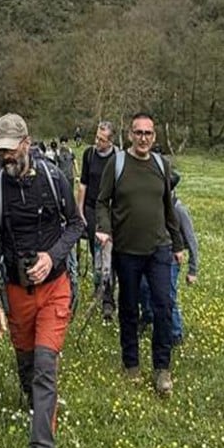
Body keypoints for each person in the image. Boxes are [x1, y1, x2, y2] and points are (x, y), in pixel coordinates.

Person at [0, 113, 84, 448]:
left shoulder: (55, 179)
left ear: (26, 143)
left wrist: (52, 257)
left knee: (43, 366)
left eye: (8, 149)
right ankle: (34, 401)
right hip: (17, 293)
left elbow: (76, 224)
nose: (3, 157)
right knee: (25, 363)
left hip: (55, 289)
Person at [95, 112, 186, 396]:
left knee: (163, 306)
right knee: (129, 308)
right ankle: (131, 363)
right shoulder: (117, 163)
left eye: (148, 133)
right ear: (130, 135)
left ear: (154, 137)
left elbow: (169, 208)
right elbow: (101, 202)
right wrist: (105, 229)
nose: (143, 138)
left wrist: (178, 243)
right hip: (126, 250)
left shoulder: (162, 165)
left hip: (159, 248)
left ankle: (162, 368)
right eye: (138, 132)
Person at [138, 171, 199, 345]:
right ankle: (148, 316)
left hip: (171, 258)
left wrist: (193, 269)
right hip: (149, 254)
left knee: (167, 296)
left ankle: (175, 333)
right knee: (143, 289)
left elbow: (192, 240)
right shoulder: (152, 206)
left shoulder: (179, 210)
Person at [78, 122, 118, 320]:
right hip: (92, 208)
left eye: (102, 140)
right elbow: (83, 184)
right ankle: (99, 287)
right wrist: (80, 211)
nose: (97, 142)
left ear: (110, 141)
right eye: (96, 138)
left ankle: (108, 300)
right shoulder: (89, 155)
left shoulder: (117, 158)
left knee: (108, 256)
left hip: (111, 211)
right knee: (96, 254)